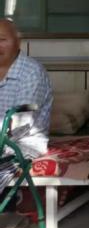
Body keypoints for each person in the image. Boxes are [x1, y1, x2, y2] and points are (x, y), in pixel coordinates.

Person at [0, 19, 53, 197]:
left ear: (18, 42)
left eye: (2, 40)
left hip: (22, 143)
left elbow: (20, 125)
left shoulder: (31, 71)